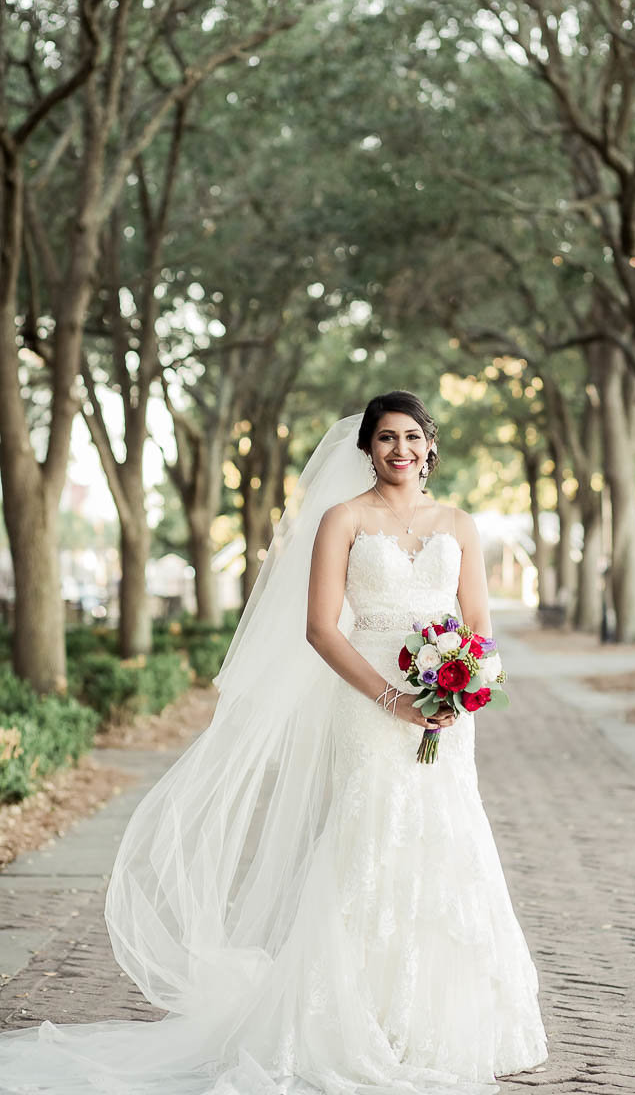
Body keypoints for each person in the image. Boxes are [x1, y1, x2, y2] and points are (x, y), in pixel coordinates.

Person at [0, 391, 547, 1095]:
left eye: (412, 437)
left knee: (448, 837)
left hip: (443, 708)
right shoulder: (342, 520)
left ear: (430, 445)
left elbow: (478, 622)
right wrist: (392, 698)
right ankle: (355, 1018)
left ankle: (443, 1019)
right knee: (368, 841)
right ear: (368, 448)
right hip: (371, 701)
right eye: (386, 438)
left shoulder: (459, 524)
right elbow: (322, 629)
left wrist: (462, 686)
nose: (400, 450)